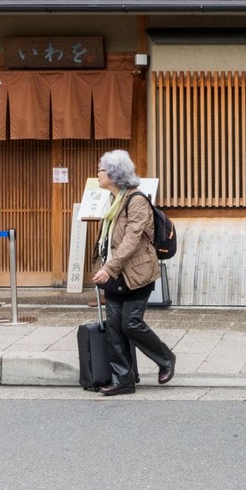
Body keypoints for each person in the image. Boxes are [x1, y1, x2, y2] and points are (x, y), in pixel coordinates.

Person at [90, 149, 176, 395]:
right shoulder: (113, 200)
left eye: (101, 170)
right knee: (115, 327)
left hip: (136, 274)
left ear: (114, 175)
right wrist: (101, 266)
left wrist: (109, 268)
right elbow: (108, 240)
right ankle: (123, 380)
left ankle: (166, 358)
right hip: (115, 274)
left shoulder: (136, 200)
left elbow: (132, 239)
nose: (98, 173)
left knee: (131, 323)